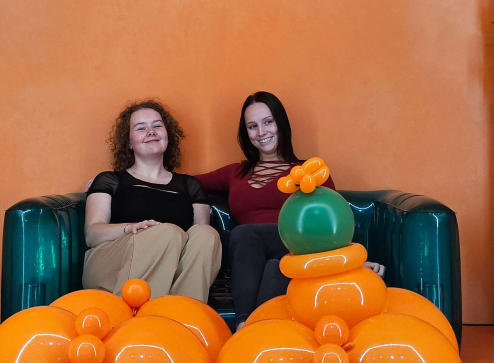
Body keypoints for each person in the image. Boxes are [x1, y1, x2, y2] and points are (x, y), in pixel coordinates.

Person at [195, 91, 336, 328]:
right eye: (252, 126)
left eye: (268, 122)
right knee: (274, 268)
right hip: (263, 259)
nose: (261, 132)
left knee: (245, 234)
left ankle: (244, 326)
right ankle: (254, 329)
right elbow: (184, 183)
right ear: (246, 133)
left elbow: (332, 220)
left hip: (299, 248)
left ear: (281, 124)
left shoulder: (308, 171)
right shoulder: (235, 172)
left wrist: (353, 260)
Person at [82, 100, 221, 302]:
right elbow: (92, 235)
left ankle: (182, 311)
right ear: (129, 142)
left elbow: (199, 248)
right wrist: (131, 228)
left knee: (206, 234)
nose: (151, 132)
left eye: (157, 125)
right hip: (111, 264)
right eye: (141, 128)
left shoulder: (191, 186)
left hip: (171, 269)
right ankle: (142, 313)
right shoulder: (110, 180)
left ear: (167, 135)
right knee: (167, 233)